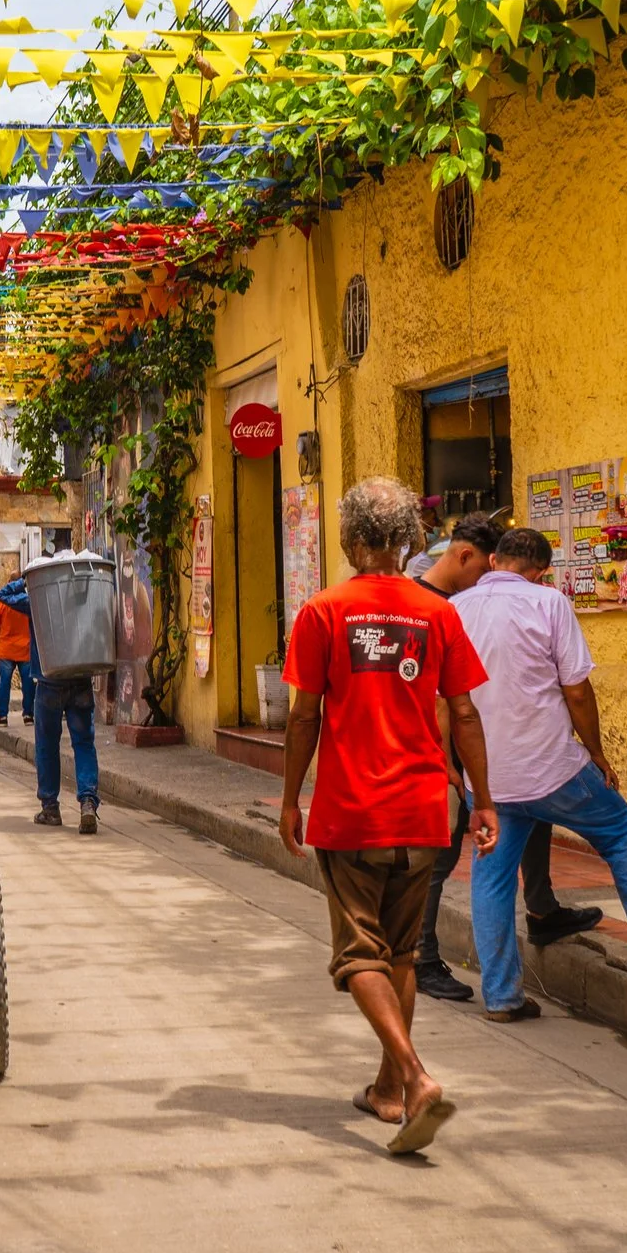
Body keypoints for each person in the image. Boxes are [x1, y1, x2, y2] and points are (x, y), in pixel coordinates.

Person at [279, 476, 495, 1156]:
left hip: (352, 811)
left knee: (359, 955)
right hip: (425, 809)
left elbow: (304, 717)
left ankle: (415, 1077)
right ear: (407, 541)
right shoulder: (437, 613)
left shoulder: (324, 611)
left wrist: (289, 798)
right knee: (400, 952)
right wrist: (484, 800)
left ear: (349, 539)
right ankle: (388, 1090)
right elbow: (464, 712)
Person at [463, 526, 627, 1021]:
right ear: (541, 571)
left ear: (493, 561)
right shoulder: (549, 603)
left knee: (491, 877)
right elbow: (576, 690)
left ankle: (501, 997)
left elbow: (444, 702)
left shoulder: (456, 609)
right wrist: (596, 752)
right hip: (550, 768)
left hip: (489, 778)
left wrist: (456, 771)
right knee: (621, 831)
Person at [409, 516, 594, 1003]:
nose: (490, 582)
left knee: (532, 818)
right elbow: (435, 697)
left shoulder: (471, 600)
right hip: (446, 753)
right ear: (466, 556)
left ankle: (542, 906)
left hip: (494, 747)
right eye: (485, 571)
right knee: (442, 855)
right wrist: (445, 761)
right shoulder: (426, 605)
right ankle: (422, 957)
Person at [26, 611, 97, 832]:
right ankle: (88, 802)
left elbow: (6, 597)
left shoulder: (37, 597)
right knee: (84, 743)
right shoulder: (83, 594)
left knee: (47, 746)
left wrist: (27, 587)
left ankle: (50, 808)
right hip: (81, 676)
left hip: (49, 680)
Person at [0, 574, 35, 725]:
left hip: (7, 649)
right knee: (28, 684)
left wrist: (4, 635)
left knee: (4, 684)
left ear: (9, 583)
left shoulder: (2, 602)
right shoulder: (28, 601)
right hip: (25, 649)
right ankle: (28, 715)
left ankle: (2, 716)